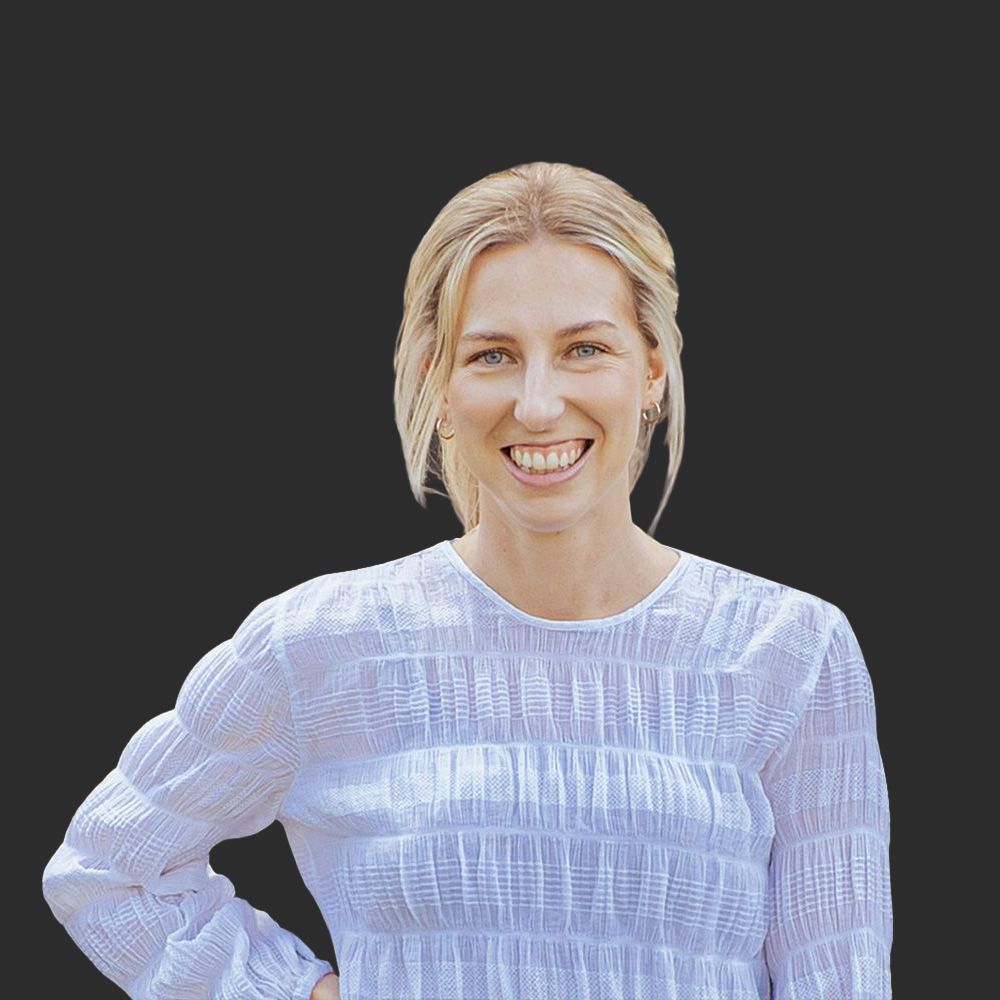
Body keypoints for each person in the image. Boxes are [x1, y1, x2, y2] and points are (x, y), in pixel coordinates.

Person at [42, 161, 892, 999]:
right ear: (439, 388)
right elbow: (108, 871)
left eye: (585, 348)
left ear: (652, 372)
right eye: (492, 355)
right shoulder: (321, 645)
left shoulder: (791, 652)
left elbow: (840, 980)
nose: (537, 404)